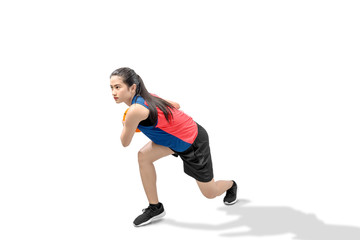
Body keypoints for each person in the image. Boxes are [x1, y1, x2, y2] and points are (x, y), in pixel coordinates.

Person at [110, 67, 237, 227]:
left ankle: (231, 185)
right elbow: (176, 105)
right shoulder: (148, 97)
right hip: (174, 141)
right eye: (111, 87)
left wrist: (127, 125)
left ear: (133, 87)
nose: (113, 92)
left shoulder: (134, 110)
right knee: (143, 156)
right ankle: (155, 207)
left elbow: (124, 142)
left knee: (210, 193)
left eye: (118, 87)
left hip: (194, 142)